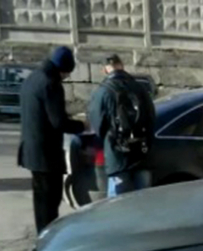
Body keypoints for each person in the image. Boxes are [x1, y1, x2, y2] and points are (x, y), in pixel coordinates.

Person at [18, 46, 86, 234]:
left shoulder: (33, 78)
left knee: (40, 203)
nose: (66, 77)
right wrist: (82, 126)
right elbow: (58, 122)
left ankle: (42, 236)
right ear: (62, 69)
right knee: (50, 204)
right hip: (47, 154)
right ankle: (48, 241)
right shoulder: (51, 84)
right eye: (67, 73)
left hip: (31, 151)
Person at [88, 54, 155, 197]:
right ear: (122, 66)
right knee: (144, 201)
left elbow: (98, 125)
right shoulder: (139, 87)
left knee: (118, 204)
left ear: (105, 70)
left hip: (117, 156)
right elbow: (151, 118)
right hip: (141, 154)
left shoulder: (102, 91)